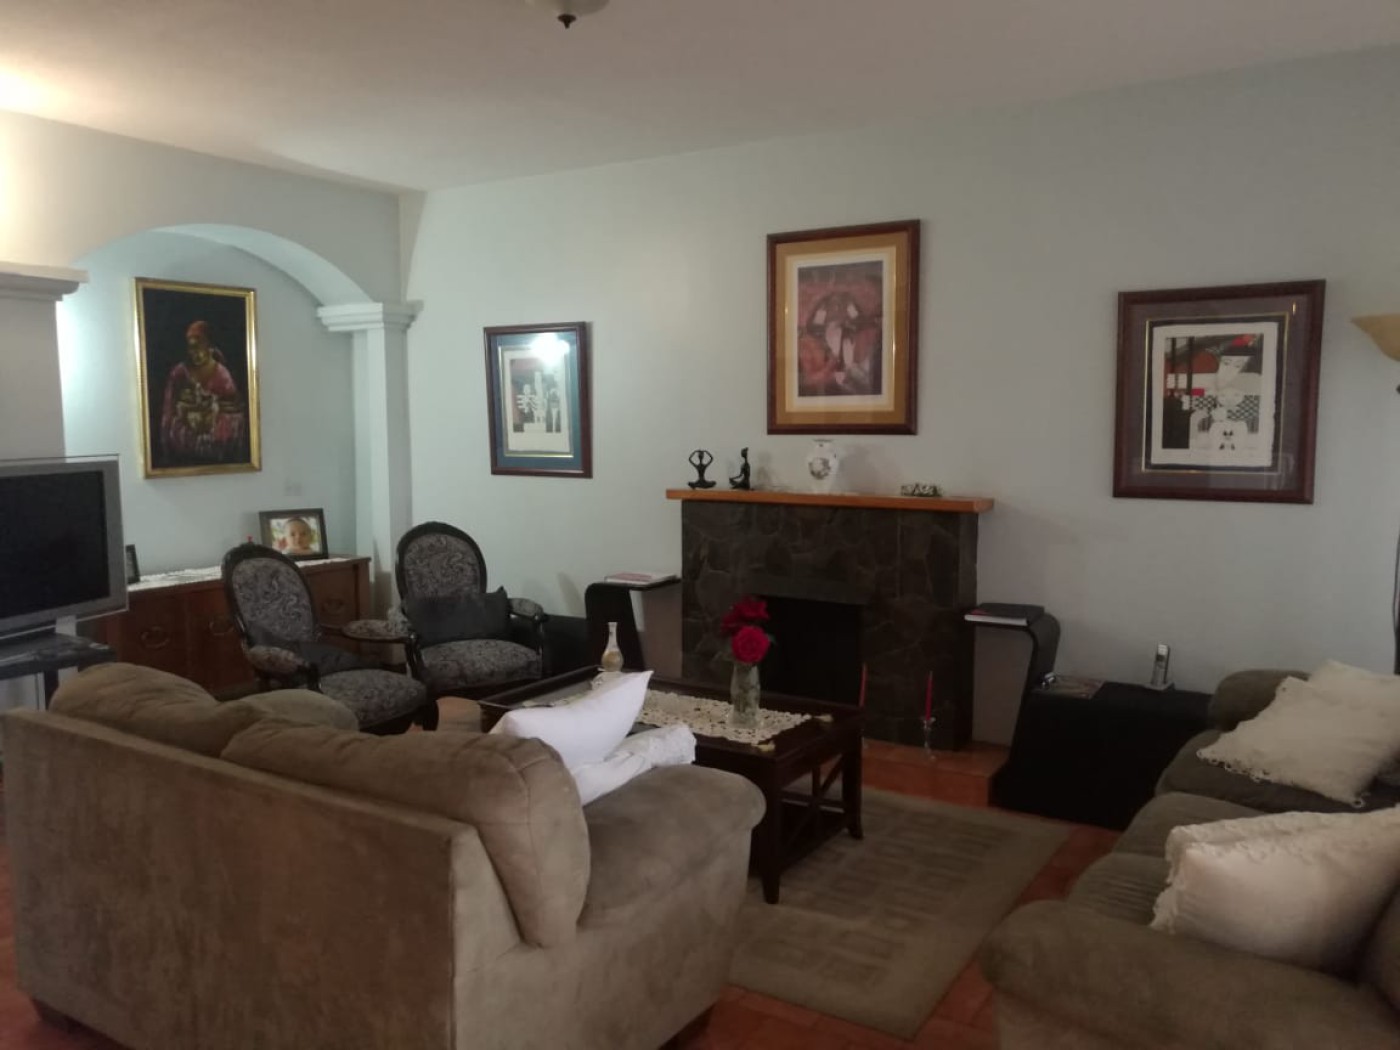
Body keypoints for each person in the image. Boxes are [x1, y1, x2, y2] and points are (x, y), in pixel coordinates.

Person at [159, 320, 247, 464]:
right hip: (185, 437)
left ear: (209, 347)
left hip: (213, 438)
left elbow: (233, 410)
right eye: (191, 348)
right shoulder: (179, 373)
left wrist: (213, 410)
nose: (194, 353)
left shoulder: (222, 375)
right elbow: (168, 410)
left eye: (198, 347)